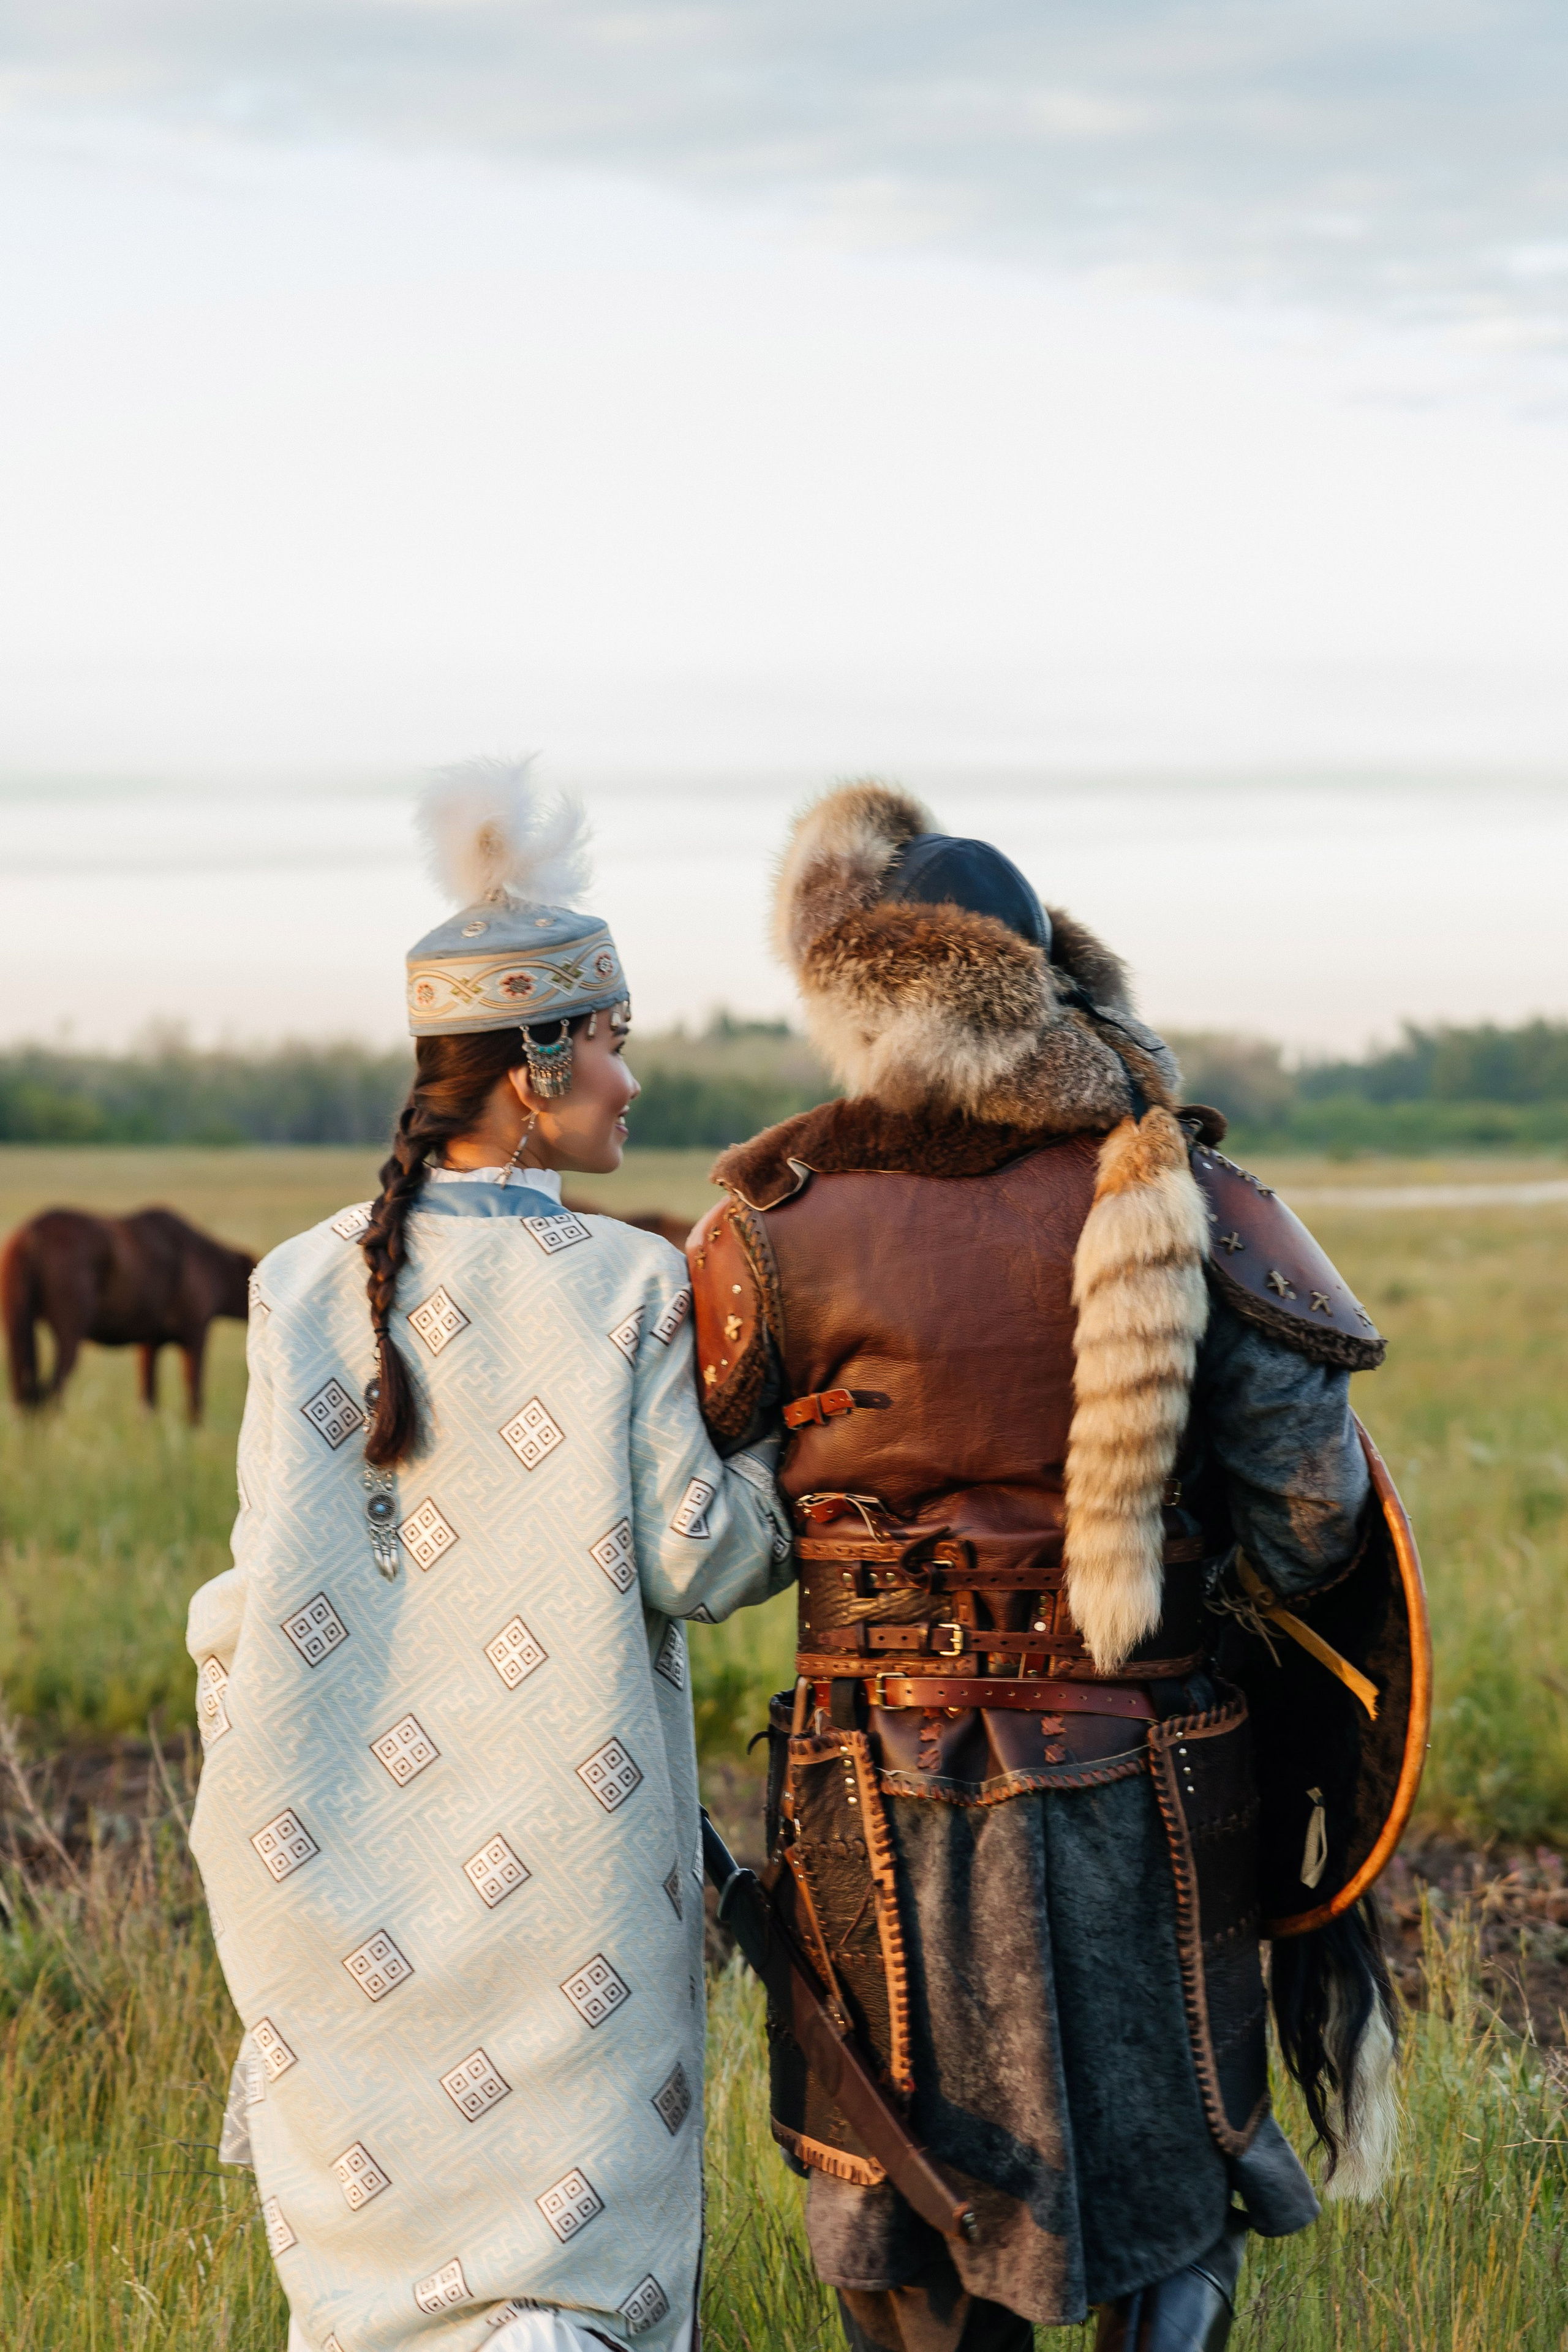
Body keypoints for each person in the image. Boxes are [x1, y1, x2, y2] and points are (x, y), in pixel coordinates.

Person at [685, 782, 1400, 2352]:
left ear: (857, 1004)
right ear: (1057, 991)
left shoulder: (763, 1229)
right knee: (1173, 2190)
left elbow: (701, 1536)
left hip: (872, 1778)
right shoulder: (1194, 1202)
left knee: (904, 2211)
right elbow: (1313, 1522)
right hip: (1148, 1770)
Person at [187, 764, 790, 2352]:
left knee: (384, 2273)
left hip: (325, 1856)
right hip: (570, 1884)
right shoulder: (629, 1285)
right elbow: (705, 1559)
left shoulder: (295, 1284)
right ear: (536, 1067)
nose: (631, 1082)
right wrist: (801, 1451)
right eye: (614, 1042)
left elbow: (260, 1575)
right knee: (569, 2276)